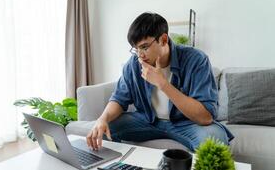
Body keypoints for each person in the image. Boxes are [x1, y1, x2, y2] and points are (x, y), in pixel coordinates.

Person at [86, 12, 234, 151]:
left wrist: (163, 84)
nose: (140, 55)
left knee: (215, 142)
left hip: (186, 124)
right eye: (136, 49)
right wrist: (102, 118)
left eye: (144, 47)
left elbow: (205, 117)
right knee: (104, 128)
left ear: (163, 40)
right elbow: (119, 98)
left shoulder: (196, 60)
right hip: (148, 121)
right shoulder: (133, 64)